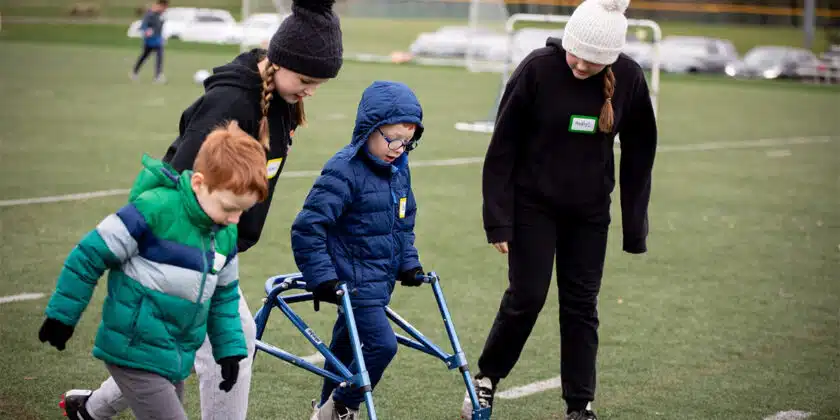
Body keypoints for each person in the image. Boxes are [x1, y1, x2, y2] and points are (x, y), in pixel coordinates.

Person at [58, 0, 344, 418]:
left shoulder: (279, 102)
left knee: (166, 342)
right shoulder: (230, 102)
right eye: (306, 79)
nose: (311, 90)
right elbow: (180, 179)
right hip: (183, 245)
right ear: (279, 61)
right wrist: (187, 255)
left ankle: (91, 411)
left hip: (218, 245)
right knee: (233, 341)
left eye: (319, 83)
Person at [460, 0, 658, 419]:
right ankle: (486, 379)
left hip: (589, 214)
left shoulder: (629, 79)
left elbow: (641, 152)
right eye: (575, 53)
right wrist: (498, 219)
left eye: (591, 60)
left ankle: (579, 406)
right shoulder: (537, 69)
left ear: (611, 57)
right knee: (527, 297)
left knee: (581, 305)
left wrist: (635, 225)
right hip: (533, 206)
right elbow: (502, 149)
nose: (580, 65)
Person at [39, 121, 269, 420]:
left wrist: (228, 351)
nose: (235, 219)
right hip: (133, 348)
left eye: (242, 211)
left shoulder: (223, 233)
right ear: (199, 183)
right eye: (229, 208)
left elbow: (224, 298)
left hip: (172, 355)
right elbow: (88, 255)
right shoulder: (153, 210)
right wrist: (62, 316)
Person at [290, 80, 426, 420]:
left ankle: (324, 411)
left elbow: (403, 220)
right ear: (369, 129)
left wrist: (408, 263)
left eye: (407, 143)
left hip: (378, 280)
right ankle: (343, 405)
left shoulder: (398, 169)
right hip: (353, 281)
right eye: (392, 139)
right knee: (383, 345)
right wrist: (321, 277)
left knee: (344, 345)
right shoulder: (344, 169)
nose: (399, 148)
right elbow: (308, 227)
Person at [130, 0, 169, 83]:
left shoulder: (160, 15)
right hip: (150, 41)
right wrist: (146, 30)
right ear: (159, 5)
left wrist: (162, 38)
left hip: (157, 40)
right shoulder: (150, 14)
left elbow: (159, 28)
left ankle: (158, 75)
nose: (164, 9)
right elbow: (143, 26)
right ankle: (134, 72)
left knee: (159, 57)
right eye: (164, 7)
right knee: (144, 56)